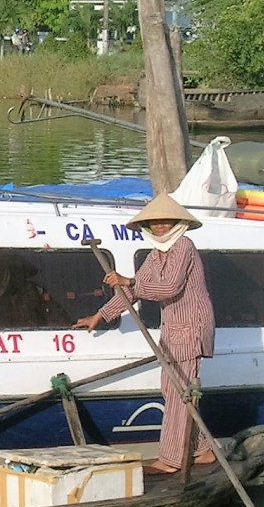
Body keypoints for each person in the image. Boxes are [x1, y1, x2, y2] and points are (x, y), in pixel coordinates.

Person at [72, 195, 216, 474]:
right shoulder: (155, 255)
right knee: (171, 390)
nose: (159, 227)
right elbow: (134, 291)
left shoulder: (184, 246)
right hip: (173, 329)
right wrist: (100, 316)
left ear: (177, 223)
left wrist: (129, 279)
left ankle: (172, 460)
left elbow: (168, 287)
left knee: (179, 393)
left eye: (164, 221)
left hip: (192, 328)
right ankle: (203, 451)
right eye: (154, 223)